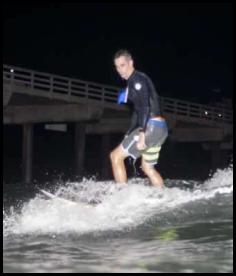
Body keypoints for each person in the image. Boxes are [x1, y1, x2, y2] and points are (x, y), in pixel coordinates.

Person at [110, 49, 168, 188]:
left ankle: (121, 198)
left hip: (150, 127)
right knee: (148, 167)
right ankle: (164, 197)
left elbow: (145, 107)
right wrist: (128, 133)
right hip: (160, 129)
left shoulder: (136, 79)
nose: (119, 70)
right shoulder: (138, 80)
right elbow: (137, 112)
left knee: (115, 157)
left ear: (131, 63)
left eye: (122, 65)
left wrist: (142, 133)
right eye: (117, 66)